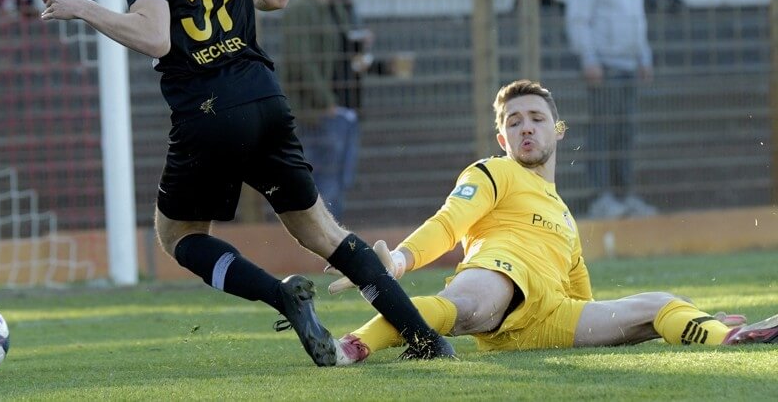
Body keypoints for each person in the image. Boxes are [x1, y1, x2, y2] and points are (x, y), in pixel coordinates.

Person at [39, 0, 453, 366]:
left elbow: (155, 37)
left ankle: (283, 296)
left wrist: (83, 7)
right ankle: (427, 341)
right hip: (264, 97)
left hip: (208, 110)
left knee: (179, 236)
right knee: (321, 230)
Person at [326, 79, 778, 365]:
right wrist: (401, 260)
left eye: (537, 119)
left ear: (557, 130)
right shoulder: (493, 172)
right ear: (502, 138)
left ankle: (724, 335)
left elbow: (583, 300)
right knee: (466, 306)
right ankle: (351, 346)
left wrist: (694, 320)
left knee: (662, 304)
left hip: (551, 319)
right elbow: (449, 222)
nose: (526, 127)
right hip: (500, 276)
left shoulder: (565, 216)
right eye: (514, 122)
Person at [565, 0, 656, 219]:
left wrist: (644, 55)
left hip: (629, 64)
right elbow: (579, 19)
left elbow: (637, 19)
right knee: (603, 132)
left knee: (625, 133)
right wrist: (589, 58)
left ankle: (624, 193)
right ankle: (601, 196)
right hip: (605, 65)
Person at [281, 0, 358, 222]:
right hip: (313, 113)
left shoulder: (335, 8)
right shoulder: (300, 9)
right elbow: (301, 62)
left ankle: (330, 240)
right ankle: (326, 242)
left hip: (336, 110)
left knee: (336, 182)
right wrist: (327, 103)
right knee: (321, 185)